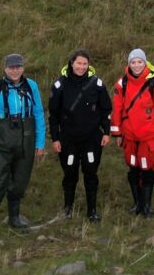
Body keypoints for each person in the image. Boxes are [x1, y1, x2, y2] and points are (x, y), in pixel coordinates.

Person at [0, 53, 46, 238]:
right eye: (11, 67)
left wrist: (40, 143)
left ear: (23, 68)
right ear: (5, 69)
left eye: (18, 67)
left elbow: (39, 113)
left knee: (20, 180)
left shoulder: (32, 86)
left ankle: (14, 217)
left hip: (26, 140)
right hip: (1, 142)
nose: (15, 70)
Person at [48, 49, 112, 222]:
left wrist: (106, 132)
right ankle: (67, 209)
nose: (82, 67)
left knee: (91, 174)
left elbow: (106, 109)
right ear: (71, 63)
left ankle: (92, 211)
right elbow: (53, 115)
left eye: (85, 64)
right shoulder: (60, 85)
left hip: (92, 138)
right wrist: (55, 138)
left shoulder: (97, 84)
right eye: (79, 63)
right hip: (68, 139)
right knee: (70, 174)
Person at [111, 49, 154, 217]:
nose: (136, 65)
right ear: (128, 64)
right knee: (133, 169)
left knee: (147, 169)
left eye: (140, 62)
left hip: (149, 138)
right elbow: (117, 109)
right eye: (133, 62)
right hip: (129, 137)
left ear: (145, 63)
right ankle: (137, 203)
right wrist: (117, 133)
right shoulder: (121, 84)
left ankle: (147, 205)